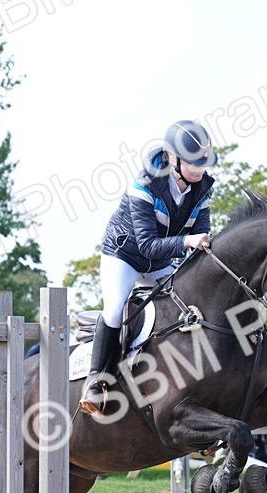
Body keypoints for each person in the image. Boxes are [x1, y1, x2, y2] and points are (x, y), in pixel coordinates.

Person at [78, 120, 217, 415]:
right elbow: (147, 246)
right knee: (116, 306)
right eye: (193, 163)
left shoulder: (202, 191)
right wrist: (189, 241)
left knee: (187, 306)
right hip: (125, 255)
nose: (199, 170)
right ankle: (95, 380)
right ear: (172, 158)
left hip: (160, 261)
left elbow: (199, 239)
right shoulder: (143, 186)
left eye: (202, 163)